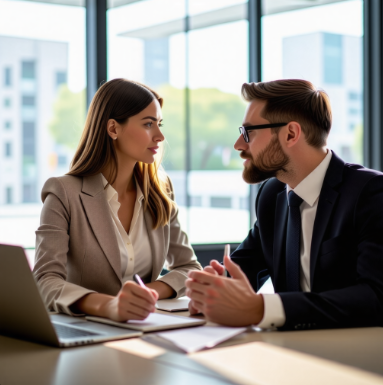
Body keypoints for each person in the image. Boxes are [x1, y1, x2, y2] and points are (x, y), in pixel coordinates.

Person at [186, 79, 383, 330]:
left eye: (249, 132)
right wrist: (212, 289)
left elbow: (376, 297)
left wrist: (262, 308)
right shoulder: (272, 195)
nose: (238, 145)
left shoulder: (370, 193)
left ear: (290, 133)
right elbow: (244, 266)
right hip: (286, 352)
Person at [34, 78, 201, 322]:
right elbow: (45, 281)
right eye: (148, 124)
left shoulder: (160, 191)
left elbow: (189, 268)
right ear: (113, 129)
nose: (160, 136)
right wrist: (109, 306)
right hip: (86, 330)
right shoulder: (63, 193)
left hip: (146, 327)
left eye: (159, 124)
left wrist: (146, 294)